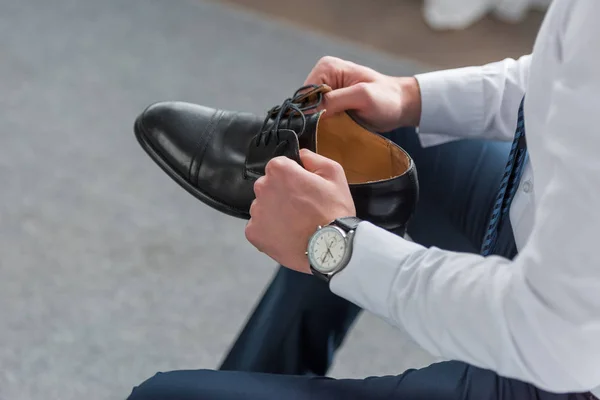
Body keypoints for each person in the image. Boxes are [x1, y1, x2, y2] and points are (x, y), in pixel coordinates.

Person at [127, 0, 600, 398]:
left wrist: (338, 249)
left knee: (163, 396)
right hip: (555, 242)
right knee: (382, 150)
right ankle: (260, 378)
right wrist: (410, 96)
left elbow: (555, 332)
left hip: (561, 366)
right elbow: (570, 66)